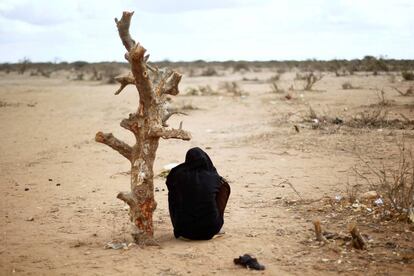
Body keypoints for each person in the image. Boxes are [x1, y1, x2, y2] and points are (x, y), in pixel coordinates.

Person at [166, 147, 230, 240]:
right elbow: (224, 185)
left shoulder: (178, 175)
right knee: (220, 188)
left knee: (174, 193)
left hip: (184, 231)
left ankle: (179, 224)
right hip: (210, 230)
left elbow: (170, 182)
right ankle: (216, 224)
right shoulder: (213, 177)